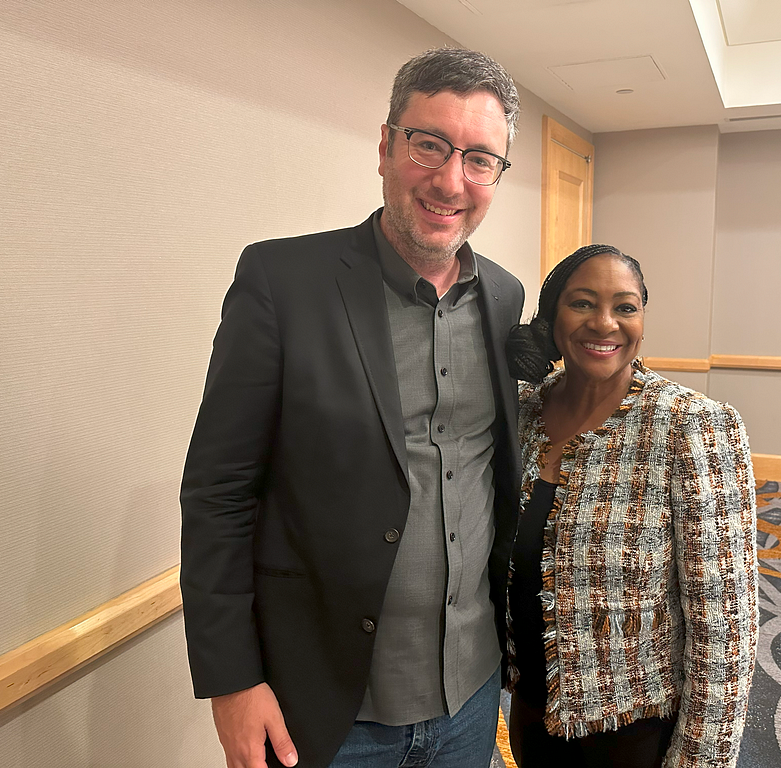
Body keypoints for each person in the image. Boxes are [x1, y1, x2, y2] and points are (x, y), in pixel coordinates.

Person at [180, 48, 525, 768]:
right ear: (385, 146)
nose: (449, 179)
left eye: (479, 158)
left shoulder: (504, 299)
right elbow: (217, 493)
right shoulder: (282, 282)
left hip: (471, 693)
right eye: (429, 144)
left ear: (497, 174)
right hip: (328, 710)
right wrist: (232, 680)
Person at [503, 244, 759, 768]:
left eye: (625, 307)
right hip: (529, 708)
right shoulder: (525, 412)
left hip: (633, 728)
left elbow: (726, 623)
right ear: (551, 317)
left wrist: (699, 758)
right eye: (582, 304)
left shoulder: (691, 425)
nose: (605, 324)